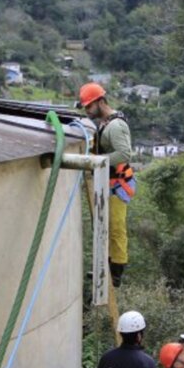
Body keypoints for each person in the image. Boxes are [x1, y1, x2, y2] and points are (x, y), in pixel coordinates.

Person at [79, 82, 135, 288]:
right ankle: (105, 266)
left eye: (89, 106)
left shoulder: (116, 126)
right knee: (104, 226)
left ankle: (117, 272)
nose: (87, 111)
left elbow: (124, 154)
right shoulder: (105, 123)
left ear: (100, 102)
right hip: (107, 182)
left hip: (118, 185)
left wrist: (97, 161)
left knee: (116, 228)